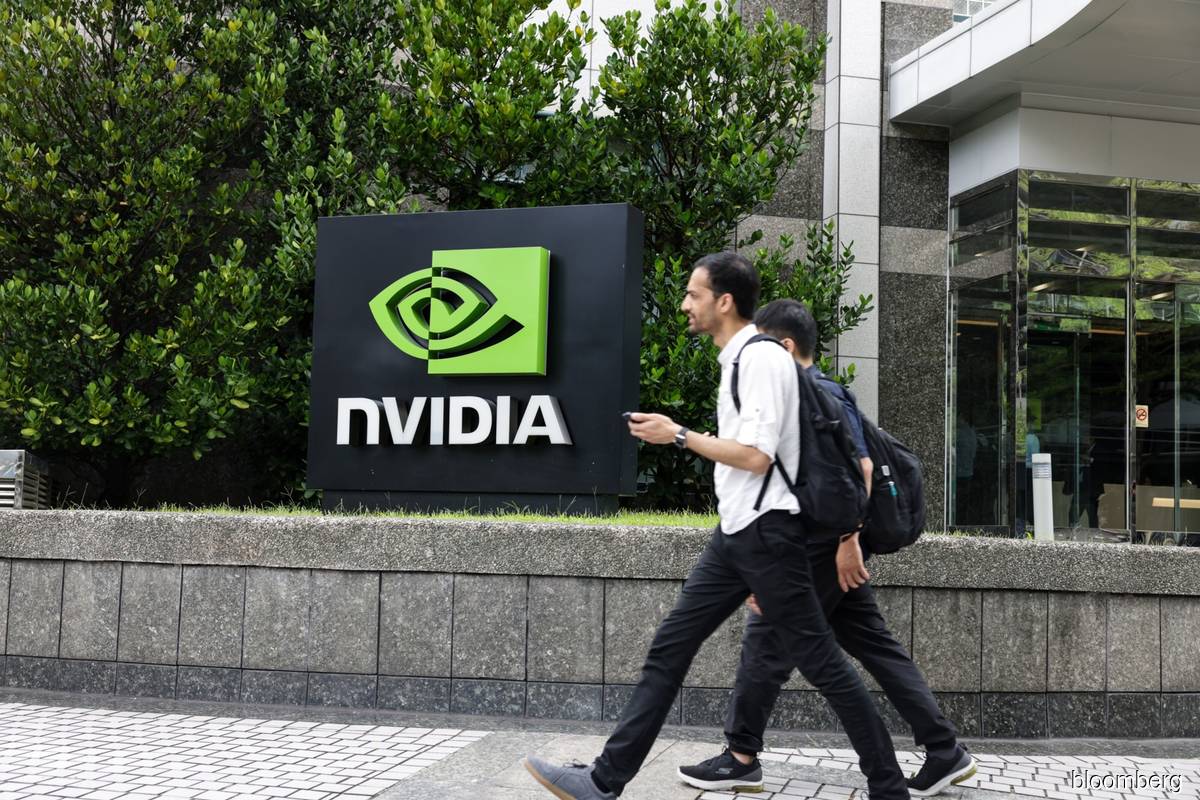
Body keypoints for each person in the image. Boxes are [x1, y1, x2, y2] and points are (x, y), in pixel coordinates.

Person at [522, 254, 911, 800]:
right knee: (670, 647)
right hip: (737, 536)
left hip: (767, 535)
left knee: (822, 663)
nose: (685, 304)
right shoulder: (740, 359)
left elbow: (756, 456)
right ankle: (604, 780)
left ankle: (889, 789)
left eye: (693, 294)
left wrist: (678, 434)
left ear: (724, 301)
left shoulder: (760, 359)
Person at [676, 299, 975, 798]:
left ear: (786, 346)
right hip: (826, 545)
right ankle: (944, 750)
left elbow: (859, 471)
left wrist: (846, 541)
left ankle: (741, 757)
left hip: (821, 548)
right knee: (873, 643)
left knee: (766, 640)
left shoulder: (815, 392)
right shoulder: (817, 391)